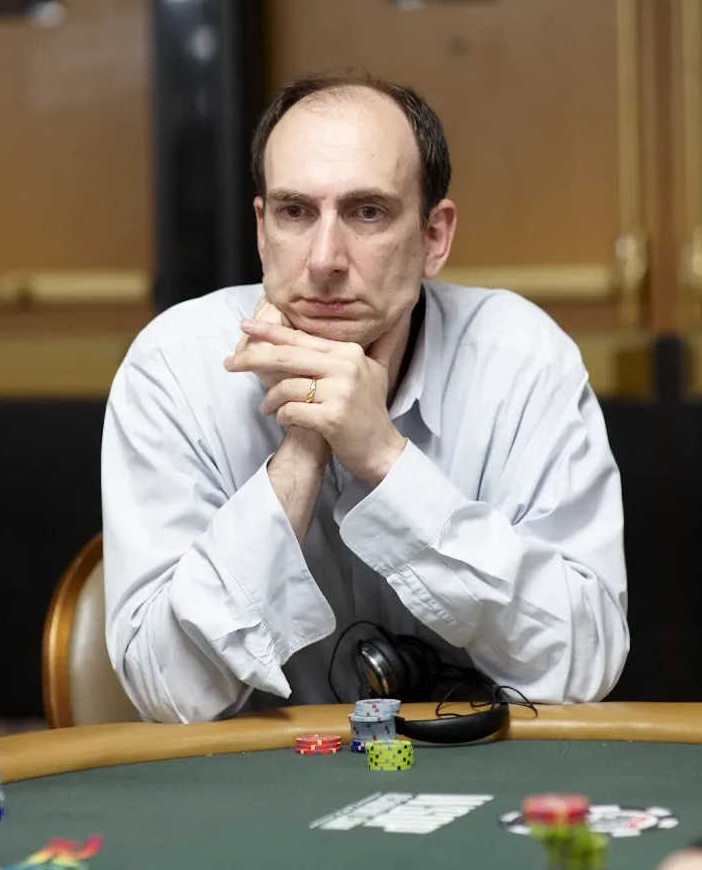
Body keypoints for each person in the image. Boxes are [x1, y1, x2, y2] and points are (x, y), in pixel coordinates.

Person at [102, 71, 628, 723]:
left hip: (474, 764)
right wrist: (304, 448)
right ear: (262, 231)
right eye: (296, 212)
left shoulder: (521, 362)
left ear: (435, 237)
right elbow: (169, 695)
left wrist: (384, 459)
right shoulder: (175, 369)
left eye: (367, 212)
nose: (325, 259)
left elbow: (581, 664)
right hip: (257, 772)